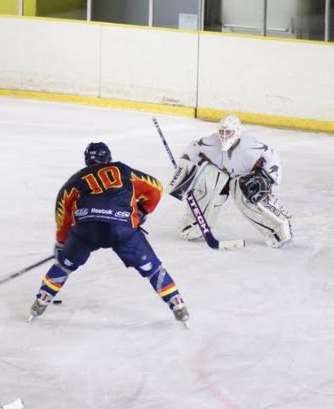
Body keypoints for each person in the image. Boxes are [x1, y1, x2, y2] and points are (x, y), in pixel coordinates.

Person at [29, 142, 189, 325]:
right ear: (109, 157)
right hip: (122, 227)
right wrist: (143, 209)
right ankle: (176, 303)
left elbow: (62, 212)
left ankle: (42, 298)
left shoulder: (76, 179)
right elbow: (156, 188)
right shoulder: (123, 170)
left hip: (86, 229)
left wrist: (62, 243)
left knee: (64, 265)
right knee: (152, 269)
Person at [168, 114, 292, 248]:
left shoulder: (252, 147)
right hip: (221, 178)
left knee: (246, 193)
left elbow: (271, 157)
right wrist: (183, 177)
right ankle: (195, 224)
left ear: (237, 132)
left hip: (244, 180)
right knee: (208, 181)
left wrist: (269, 180)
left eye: (228, 132)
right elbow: (192, 151)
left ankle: (278, 228)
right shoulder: (210, 143)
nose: (224, 136)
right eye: (221, 132)